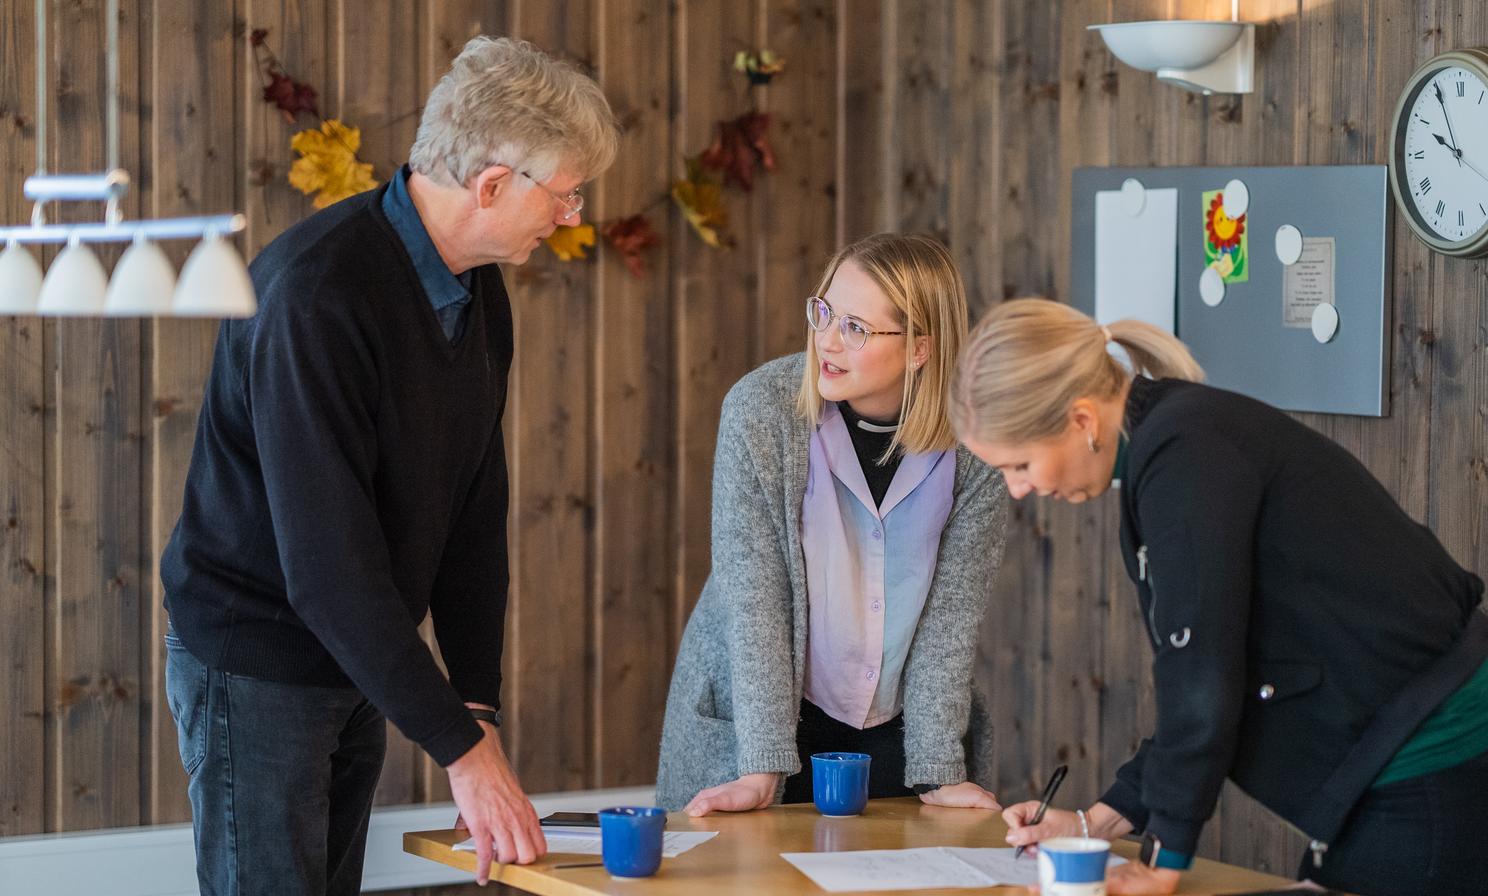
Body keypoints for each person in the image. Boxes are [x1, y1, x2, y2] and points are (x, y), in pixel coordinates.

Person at [160, 37, 617, 894]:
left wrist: (474, 707)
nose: (571, 218)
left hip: (355, 653)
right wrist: (463, 754)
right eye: (564, 195)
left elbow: (476, 510)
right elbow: (327, 570)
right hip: (257, 653)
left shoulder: (477, 287)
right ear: (491, 185)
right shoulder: (314, 297)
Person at [948, 298, 1488, 896]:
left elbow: (1203, 678)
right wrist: (1094, 824)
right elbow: (1209, 673)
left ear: (1081, 420)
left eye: (1019, 465)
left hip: (1446, 761)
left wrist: (1164, 860)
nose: (1019, 490)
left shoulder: (1182, 454)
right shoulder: (1170, 443)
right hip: (1473, 750)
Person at [655, 233, 1010, 816]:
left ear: (920, 348)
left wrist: (940, 769)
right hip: (765, 723)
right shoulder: (762, 411)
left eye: (856, 328)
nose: (827, 340)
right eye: (823, 313)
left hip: (898, 734)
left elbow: (950, 618)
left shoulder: (977, 444)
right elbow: (755, 598)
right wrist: (762, 765)